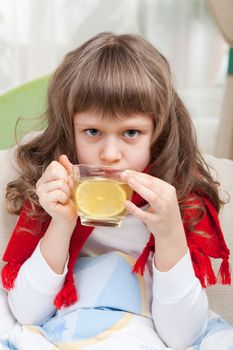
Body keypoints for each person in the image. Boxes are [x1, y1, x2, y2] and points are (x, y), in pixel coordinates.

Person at [0, 32, 231, 350]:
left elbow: (184, 337)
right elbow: (27, 314)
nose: (110, 153)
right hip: (69, 328)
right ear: (71, 130)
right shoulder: (56, 188)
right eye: (92, 131)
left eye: (131, 133)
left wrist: (169, 234)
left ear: (158, 135)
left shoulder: (179, 199)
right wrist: (62, 223)